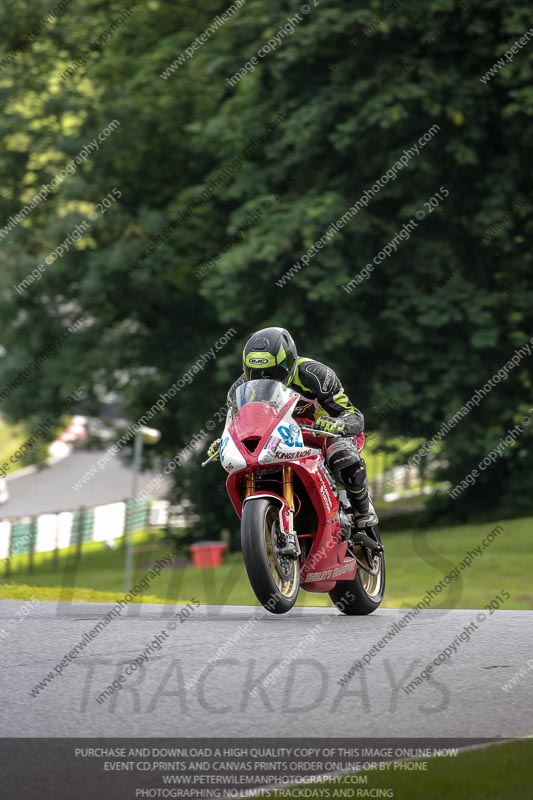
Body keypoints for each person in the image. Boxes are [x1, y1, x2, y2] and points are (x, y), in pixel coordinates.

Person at [208, 327, 379, 539]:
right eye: (256, 373)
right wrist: (225, 440)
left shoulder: (316, 375)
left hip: (323, 433)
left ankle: (362, 510)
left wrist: (336, 424)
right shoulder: (239, 389)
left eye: (273, 372)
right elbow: (237, 424)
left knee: (343, 455)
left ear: (289, 362)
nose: (265, 378)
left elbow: (353, 415)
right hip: (280, 439)